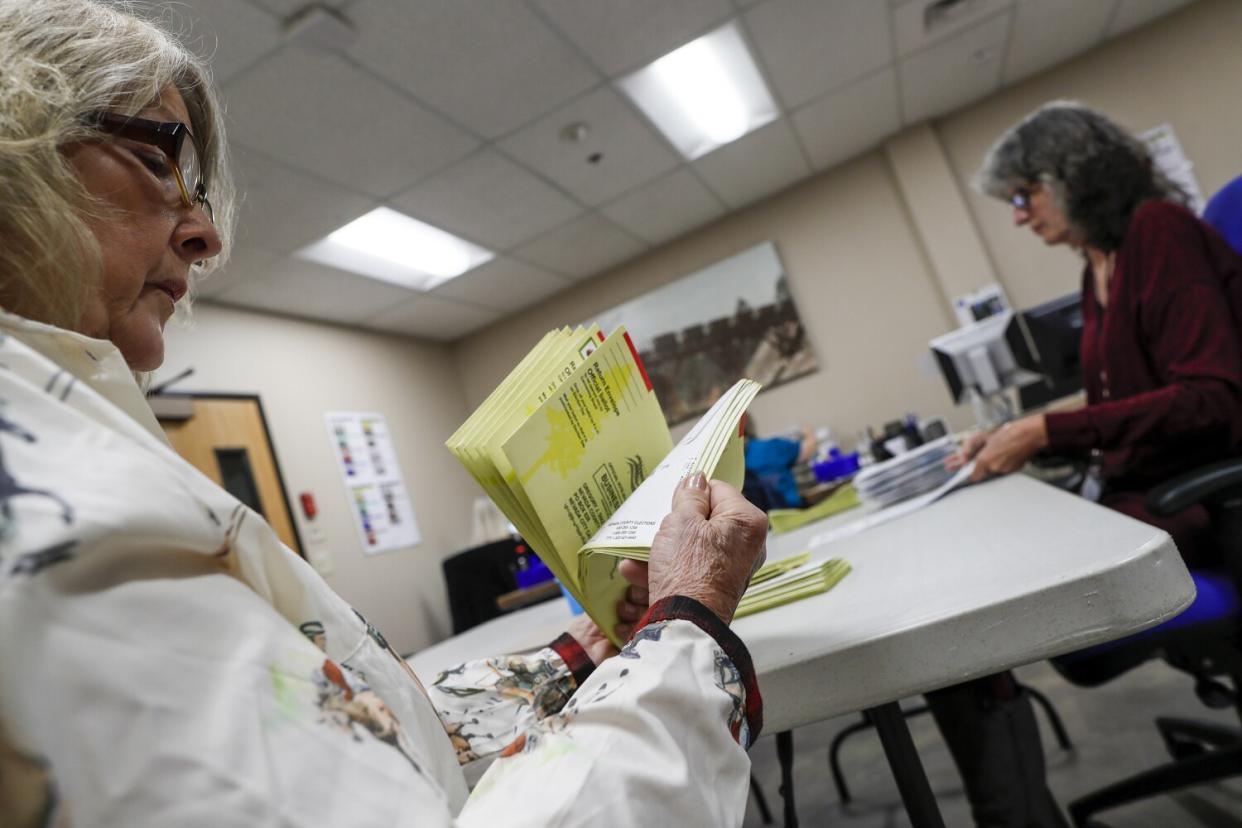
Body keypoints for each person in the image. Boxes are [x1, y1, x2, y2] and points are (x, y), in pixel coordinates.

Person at [0, 2, 770, 825]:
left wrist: (586, 649)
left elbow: (357, 744)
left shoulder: (70, 441)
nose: (204, 235)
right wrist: (688, 623)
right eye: (160, 159)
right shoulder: (54, 508)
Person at [932, 101, 1242, 827]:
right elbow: (1132, 403)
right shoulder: (1098, 265)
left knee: (968, 613)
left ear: (1074, 176)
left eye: (1023, 194)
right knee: (969, 576)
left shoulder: (1159, 234)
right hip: (1149, 493)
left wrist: (1047, 432)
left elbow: (1214, 399)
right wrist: (1025, 434)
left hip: (1197, 501)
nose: (1016, 214)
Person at [741, 418, 817, 511]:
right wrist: (808, 432)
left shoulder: (728, 468)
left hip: (763, 521)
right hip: (792, 512)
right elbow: (807, 450)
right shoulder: (769, 447)